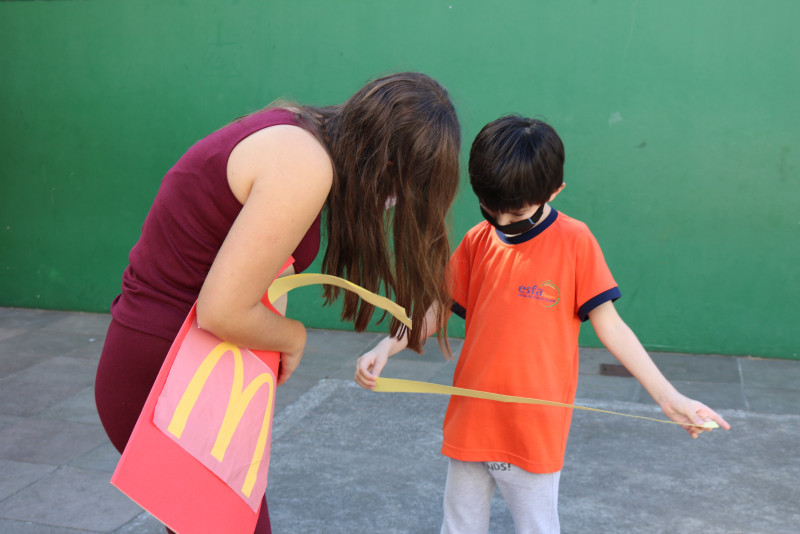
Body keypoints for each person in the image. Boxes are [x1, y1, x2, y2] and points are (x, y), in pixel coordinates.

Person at [95, 72, 461, 534]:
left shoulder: (297, 131)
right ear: (388, 162)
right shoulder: (303, 164)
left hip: (174, 366)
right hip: (166, 375)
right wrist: (293, 337)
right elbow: (222, 311)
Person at [355, 114, 731, 534]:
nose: (500, 222)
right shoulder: (478, 241)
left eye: (514, 212)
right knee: (458, 526)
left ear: (555, 191)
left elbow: (612, 328)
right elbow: (436, 309)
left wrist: (669, 397)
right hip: (471, 417)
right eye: (489, 209)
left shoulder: (575, 241)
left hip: (533, 432)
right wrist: (385, 346)